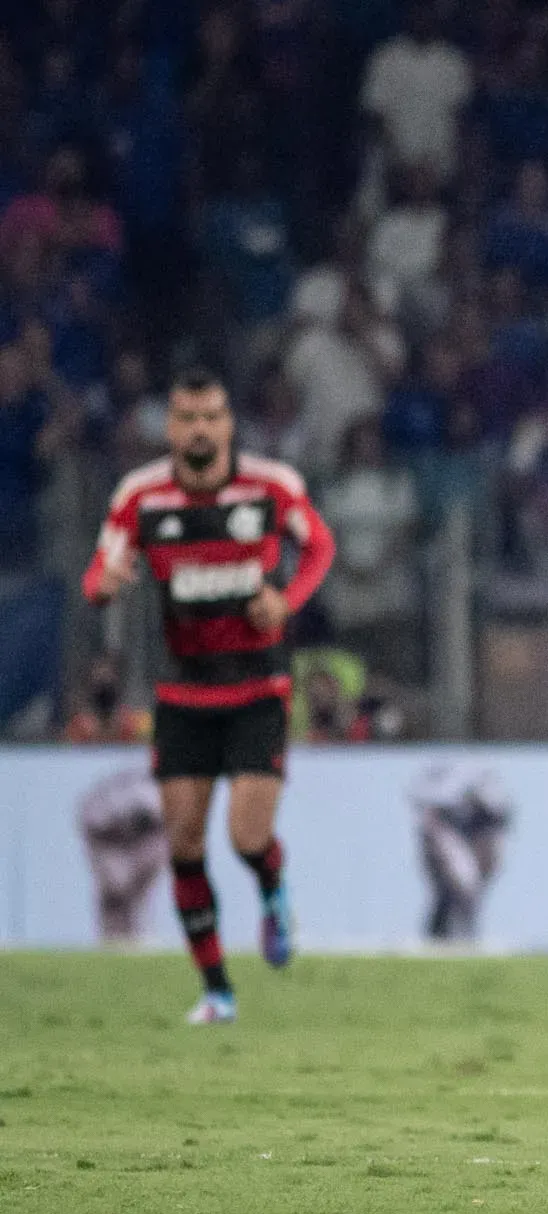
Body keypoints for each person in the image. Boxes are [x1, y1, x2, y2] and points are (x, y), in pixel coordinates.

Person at [81, 368, 335, 1024]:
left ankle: (274, 893)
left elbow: (319, 548)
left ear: (228, 423)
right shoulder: (141, 497)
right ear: (170, 427)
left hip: (257, 686)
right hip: (184, 692)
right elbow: (98, 573)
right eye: (188, 417)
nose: (200, 428)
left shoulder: (272, 487)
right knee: (185, 843)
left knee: (247, 835)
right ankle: (218, 990)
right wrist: (105, 584)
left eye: (212, 416)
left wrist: (286, 601)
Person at [411, 763, 514, 943]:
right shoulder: (444, 784)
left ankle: (459, 937)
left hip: (472, 838)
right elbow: (423, 800)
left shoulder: (486, 787)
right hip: (444, 835)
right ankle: (441, 939)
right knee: (455, 891)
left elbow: (501, 813)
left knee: (466, 893)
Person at [77, 767, 168, 943]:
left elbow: (160, 821)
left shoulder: (155, 799)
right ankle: (112, 937)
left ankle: (138, 935)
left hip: (148, 833)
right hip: (107, 837)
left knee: (135, 895)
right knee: (116, 888)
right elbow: (96, 824)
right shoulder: (103, 805)